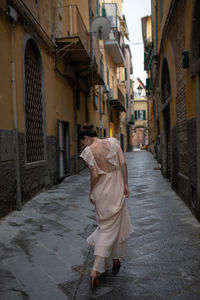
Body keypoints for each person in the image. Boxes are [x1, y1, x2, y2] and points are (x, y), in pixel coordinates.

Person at [79, 124, 133, 288]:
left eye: (82, 142)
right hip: (116, 185)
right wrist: (125, 184)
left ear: (86, 138)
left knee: (105, 226)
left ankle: (114, 258)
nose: (84, 146)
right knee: (114, 224)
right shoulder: (114, 142)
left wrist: (91, 192)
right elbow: (123, 164)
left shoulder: (89, 151)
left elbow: (94, 175)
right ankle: (96, 269)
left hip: (101, 190)